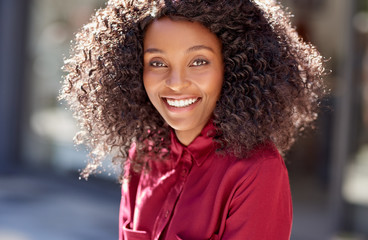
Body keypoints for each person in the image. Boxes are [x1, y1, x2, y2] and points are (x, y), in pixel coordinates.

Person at [59, 0, 325, 239]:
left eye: (198, 62)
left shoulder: (256, 170)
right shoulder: (143, 151)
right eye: (158, 63)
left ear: (230, 66)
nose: (176, 84)